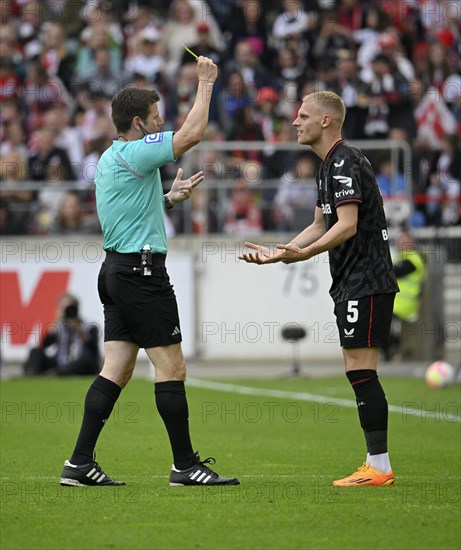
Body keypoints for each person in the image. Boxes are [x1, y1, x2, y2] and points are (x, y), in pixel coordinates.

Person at [59, 55, 239, 487]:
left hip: (115, 271)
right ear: (137, 123)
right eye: (156, 118)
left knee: (116, 369)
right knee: (172, 367)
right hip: (141, 274)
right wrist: (206, 83)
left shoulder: (109, 158)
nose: (161, 123)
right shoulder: (139, 152)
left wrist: (168, 198)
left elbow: (128, 213)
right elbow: (194, 133)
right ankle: (184, 465)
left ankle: (79, 463)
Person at [240, 91, 399, 487]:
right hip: (352, 280)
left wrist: (304, 254)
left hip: (366, 279)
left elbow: (346, 225)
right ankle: (376, 463)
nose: (295, 122)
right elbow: (319, 223)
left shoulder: (345, 160)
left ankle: (378, 466)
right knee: (357, 370)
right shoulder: (327, 166)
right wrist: (281, 252)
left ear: (326, 121)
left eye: (303, 115)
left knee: (361, 370)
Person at [23, 293, 100, 376]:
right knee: (35, 351)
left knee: (87, 359)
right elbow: (44, 345)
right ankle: (31, 374)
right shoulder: (58, 326)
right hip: (60, 363)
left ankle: (56, 373)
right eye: (62, 308)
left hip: (80, 363)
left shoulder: (89, 326)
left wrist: (78, 329)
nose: (66, 311)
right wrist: (55, 323)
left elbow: (93, 350)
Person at [384, 231, 427, 361]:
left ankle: (391, 352)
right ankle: (388, 352)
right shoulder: (399, 258)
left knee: (388, 322)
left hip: (405, 305)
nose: (401, 243)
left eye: (404, 240)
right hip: (394, 302)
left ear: (412, 242)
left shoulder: (414, 258)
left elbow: (394, 272)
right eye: (400, 241)